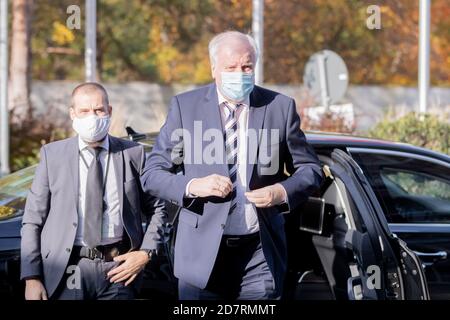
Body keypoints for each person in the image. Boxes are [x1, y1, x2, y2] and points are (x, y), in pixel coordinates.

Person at [141, 31, 323, 300]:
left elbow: (311, 170)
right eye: (231, 67)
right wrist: (193, 186)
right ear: (214, 68)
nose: (240, 73)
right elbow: (152, 173)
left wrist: (281, 192)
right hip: (201, 257)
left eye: (247, 66)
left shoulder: (279, 108)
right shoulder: (185, 107)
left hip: (259, 252)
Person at [21, 82, 166, 300]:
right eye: (84, 111)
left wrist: (146, 253)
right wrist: (31, 277)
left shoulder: (133, 153)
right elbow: (33, 219)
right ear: (73, 114)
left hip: (119, 269)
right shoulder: (53, 155)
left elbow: (158, 207)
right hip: (67, 268)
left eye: (99, 110)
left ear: (109, 112)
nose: (92, 117)